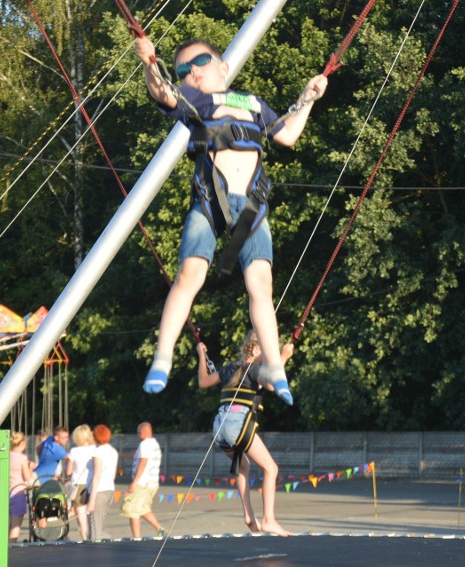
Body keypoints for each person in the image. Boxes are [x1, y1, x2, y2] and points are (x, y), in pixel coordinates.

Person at [134, 35, 328, 406]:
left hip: (252, 206)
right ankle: (163, 356)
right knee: (191, 274)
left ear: (223, 66)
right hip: (210, 201)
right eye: (183, 70)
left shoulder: (253, 103)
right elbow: (162, 92)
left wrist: (308, 97)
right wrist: (148, 63)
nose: (193, 72)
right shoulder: (194, 101)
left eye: (200, 62)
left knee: (261, 285)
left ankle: (273, 364)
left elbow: (287, 134)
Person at [197, 330, 293, 536]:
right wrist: (284, 357)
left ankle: (249, 515)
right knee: (271, 469)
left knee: (243, 467)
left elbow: (203, 381)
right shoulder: (256, 369)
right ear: (257, 348)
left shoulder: (229, 368)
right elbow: (271, 385)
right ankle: (269, 519)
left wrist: (200, 355)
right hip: (238, 424)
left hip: (219, 427)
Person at [121, 422, 164, 537]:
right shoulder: (154, 444)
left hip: (142, 483)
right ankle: (160, 529)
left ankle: (136, 537)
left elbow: (143, 462)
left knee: (132, 510)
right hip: (152, 483)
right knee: (143, 508)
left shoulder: (144, 444)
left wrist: (134, 482)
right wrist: (122, 455)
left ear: (141, 433)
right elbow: (136, 454)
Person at [87, 424, 118, 541]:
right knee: (98, 526)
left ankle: (96, 553)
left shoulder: (98, 452)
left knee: (95, 530)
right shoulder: (113, 451)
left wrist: (91, 501)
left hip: (98, 491)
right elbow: (113, 475)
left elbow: (96, 476)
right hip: (109, 489)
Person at [64, 424, 96, 541]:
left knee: (82, 518)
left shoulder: (74, 451)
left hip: (78, 486)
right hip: (93, 484)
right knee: (92, 516)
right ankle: (94, 538)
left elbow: (68, 471)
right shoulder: (95, 449)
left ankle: (85, 540)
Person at [8, 432, 32, 543]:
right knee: (16, 525)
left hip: (7, 491)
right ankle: (12, 547)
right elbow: (27, 477)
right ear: (22, 442)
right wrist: (30, 467)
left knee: (8, 524)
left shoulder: (7, 455)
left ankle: (5, 548)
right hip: (18, 491)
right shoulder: (22, 458)